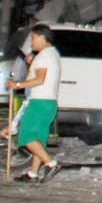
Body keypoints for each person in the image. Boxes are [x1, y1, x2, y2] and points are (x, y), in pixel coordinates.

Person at [6, 24, 62, 184]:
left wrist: (16, 85)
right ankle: (33, 173)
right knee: (38, 140)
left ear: (42, 37)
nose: (31, 43)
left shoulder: (44, 56)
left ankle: (51, 164)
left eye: (33, 38)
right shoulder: (52, 54)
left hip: (39, 102)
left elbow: (40, 79)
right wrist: (33, 62)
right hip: (49, 103)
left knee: (27, 136)